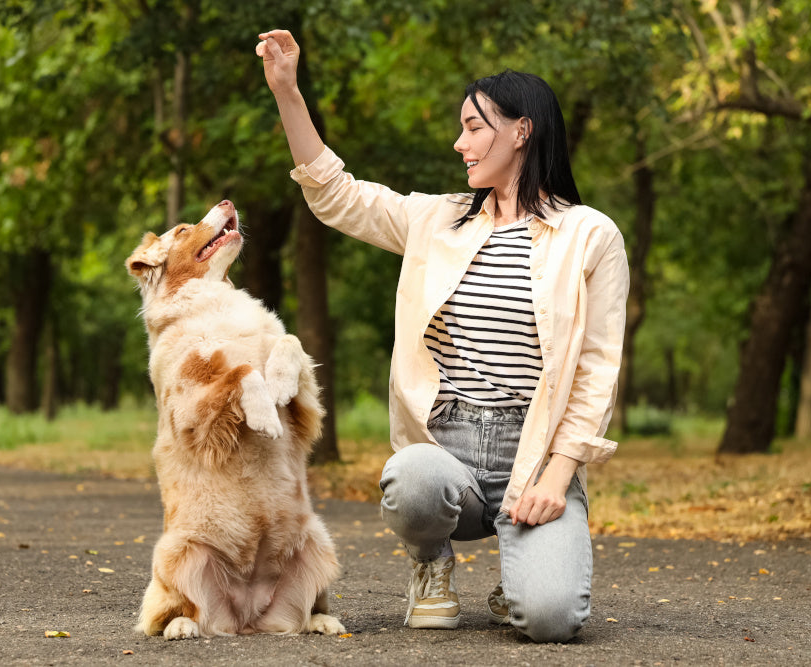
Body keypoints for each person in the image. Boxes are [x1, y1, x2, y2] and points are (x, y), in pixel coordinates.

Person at [256, 29, 629, 643]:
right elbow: (336, 196)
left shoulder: (591, 236)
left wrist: (556, 480)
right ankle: (431, 565)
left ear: (521, 130)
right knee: (412, 479)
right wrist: (288, 93)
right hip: (447, 439)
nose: (460, 143)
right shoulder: (437, 220)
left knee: (552, 620)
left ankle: (520, 573)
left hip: (533, 452)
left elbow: (596, 372)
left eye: (474, 126)